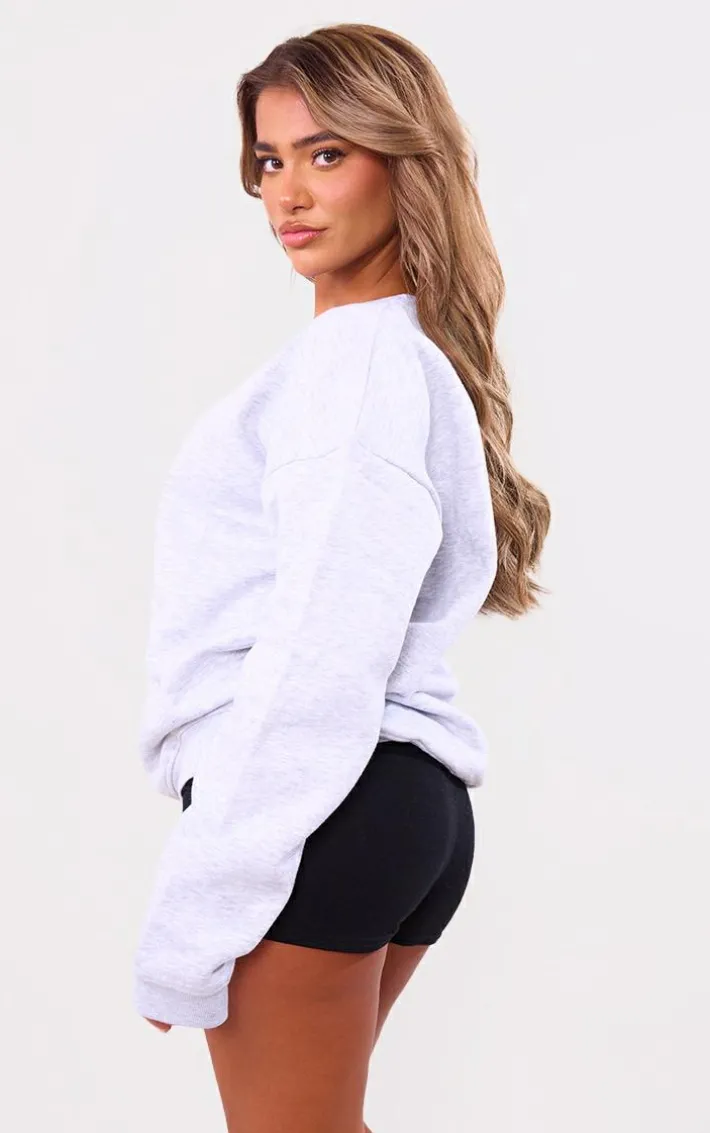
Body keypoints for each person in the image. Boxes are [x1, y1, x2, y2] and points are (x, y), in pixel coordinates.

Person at [132, 21, 551, 1133]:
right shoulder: (398, 358)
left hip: (324, 800)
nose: (289, 193)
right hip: (388, 801)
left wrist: (197, 902)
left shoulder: (352, 369)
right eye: (270, 161)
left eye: (327, 154)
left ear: (401, 158)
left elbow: (321, 650)